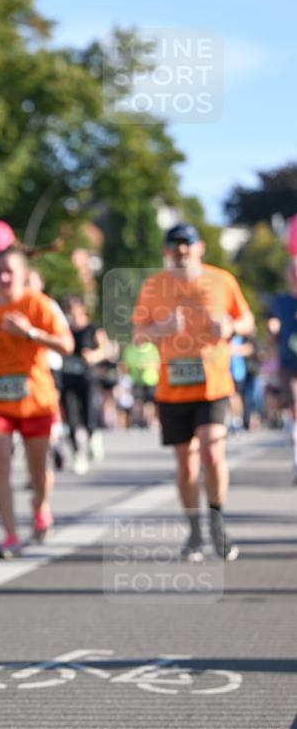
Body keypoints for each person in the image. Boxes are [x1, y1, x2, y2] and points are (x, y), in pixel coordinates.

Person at [133, 223, 255, 562]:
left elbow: (248, 321)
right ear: (166, 251)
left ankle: (217, 521)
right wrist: (162, 328)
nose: (181, 249)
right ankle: (194, 531)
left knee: (212, 452)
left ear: (199, 247)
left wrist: (230, 327)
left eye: (187, 242)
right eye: (174, 244)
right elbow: (138, 335)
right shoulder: (153, 286)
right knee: (186, 466)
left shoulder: (221, 280)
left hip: (213, 384)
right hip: (172, 388)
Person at [0, 245, 74, 557]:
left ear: (23, 274)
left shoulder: (39, 304)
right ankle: (10, 535)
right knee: (0, 467)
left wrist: (30, 332)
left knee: (38, 471)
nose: (3, 278)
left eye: (9, 272)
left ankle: (40, 506)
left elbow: (67, 346)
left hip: (36, 399)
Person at [60, 295, 109, 473]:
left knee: (89, 415)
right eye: (68, 309)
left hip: (87, 379)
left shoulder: (92, 328)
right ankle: (77, 454)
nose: (71, 313)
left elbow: (106, 349)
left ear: (82, 309)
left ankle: (92, 438)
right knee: (71, 418)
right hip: (67, 379)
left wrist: (94, 356)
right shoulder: (64, 330)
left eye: (74, 308)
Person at [267, 259, 297, 482]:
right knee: (294, 408)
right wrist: (272, 329)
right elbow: (272, 328)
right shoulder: (280, 301)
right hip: (288, 363)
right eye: (293, 273)